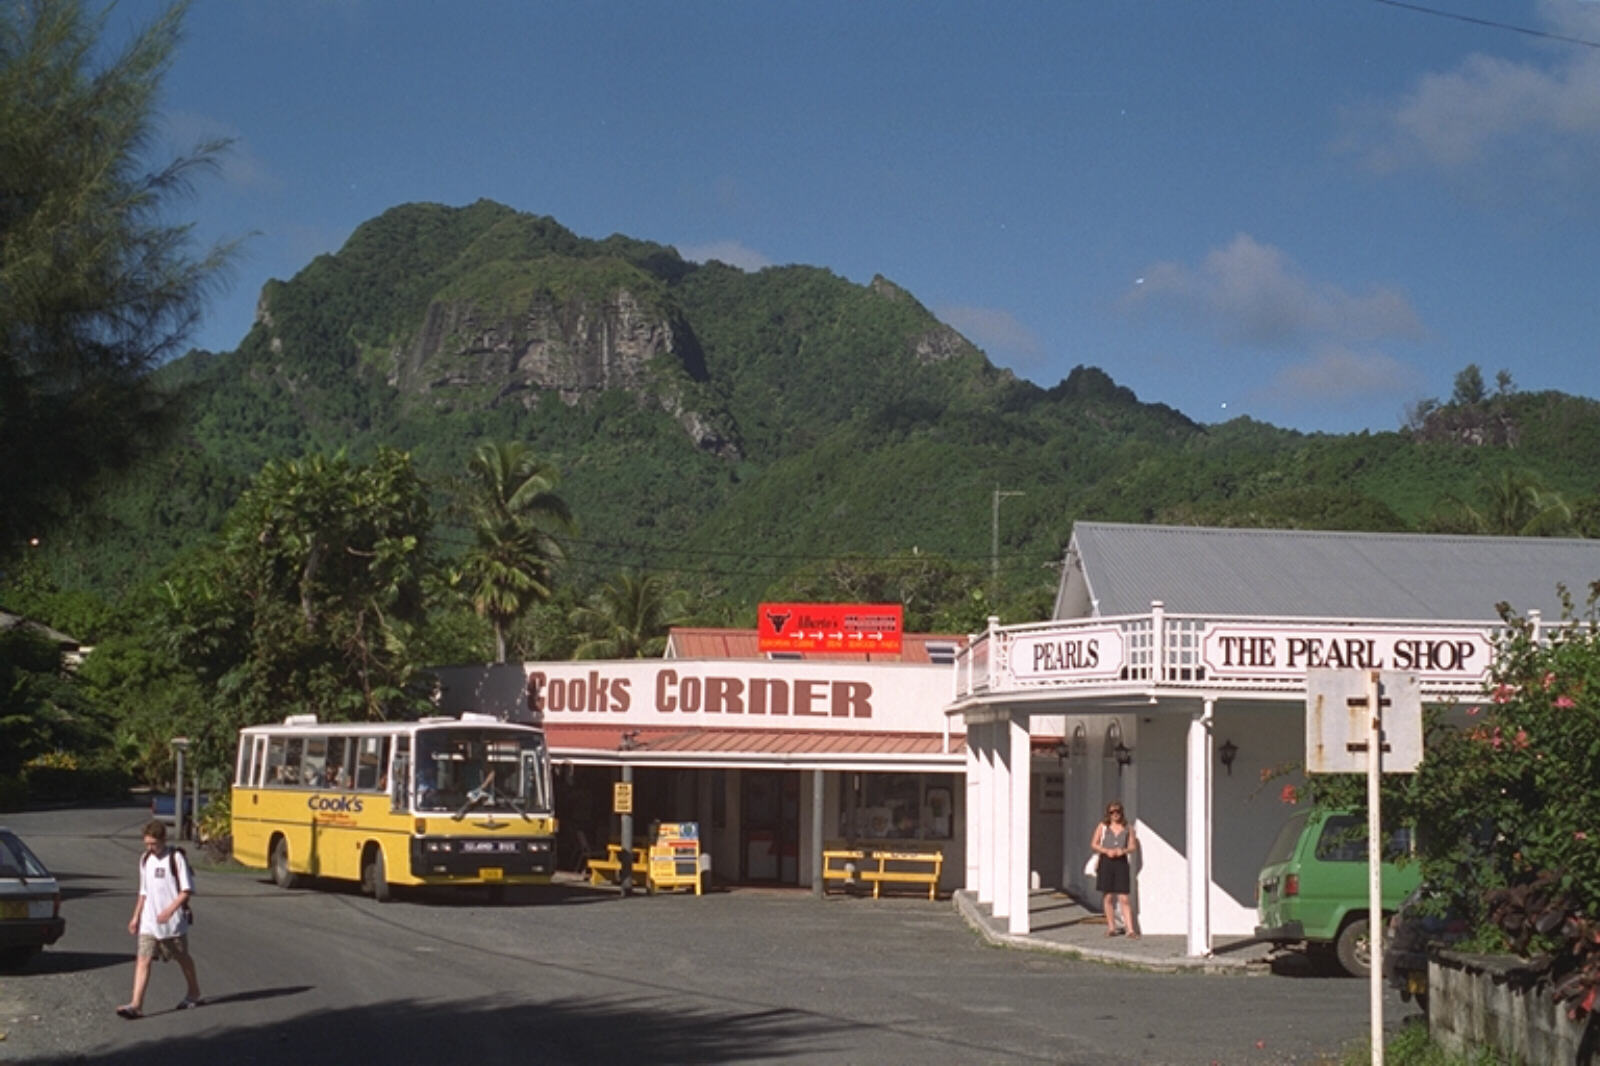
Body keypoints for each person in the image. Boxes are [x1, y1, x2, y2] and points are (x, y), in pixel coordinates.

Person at [116, 820, 202, 1019]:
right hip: (149, 921)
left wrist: (170, 911)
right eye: (147, 844)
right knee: (143, 959)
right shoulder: (145, 859)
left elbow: (186, 891)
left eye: (153, 844)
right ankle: (136, 1004)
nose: (150, 848)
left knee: (182, 958)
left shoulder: (176, 858)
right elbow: (143, 892)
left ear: (163, 839)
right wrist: (136, 916)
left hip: (172, 924)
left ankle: (194, 992)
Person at [1091, 802, 1139, 938]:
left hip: (1121, 862)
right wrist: (1106, 851)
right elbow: (1094, 844)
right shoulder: (1103, 827)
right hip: (1106, 862)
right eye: (1112, 812)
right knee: (1108, 896)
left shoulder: (1128, 828)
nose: (1115, 815)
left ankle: (1130, 929)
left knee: (1124, 897)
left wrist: (1122, 851)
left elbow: (1132, 846)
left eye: (1117, 812)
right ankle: (1111, 927)